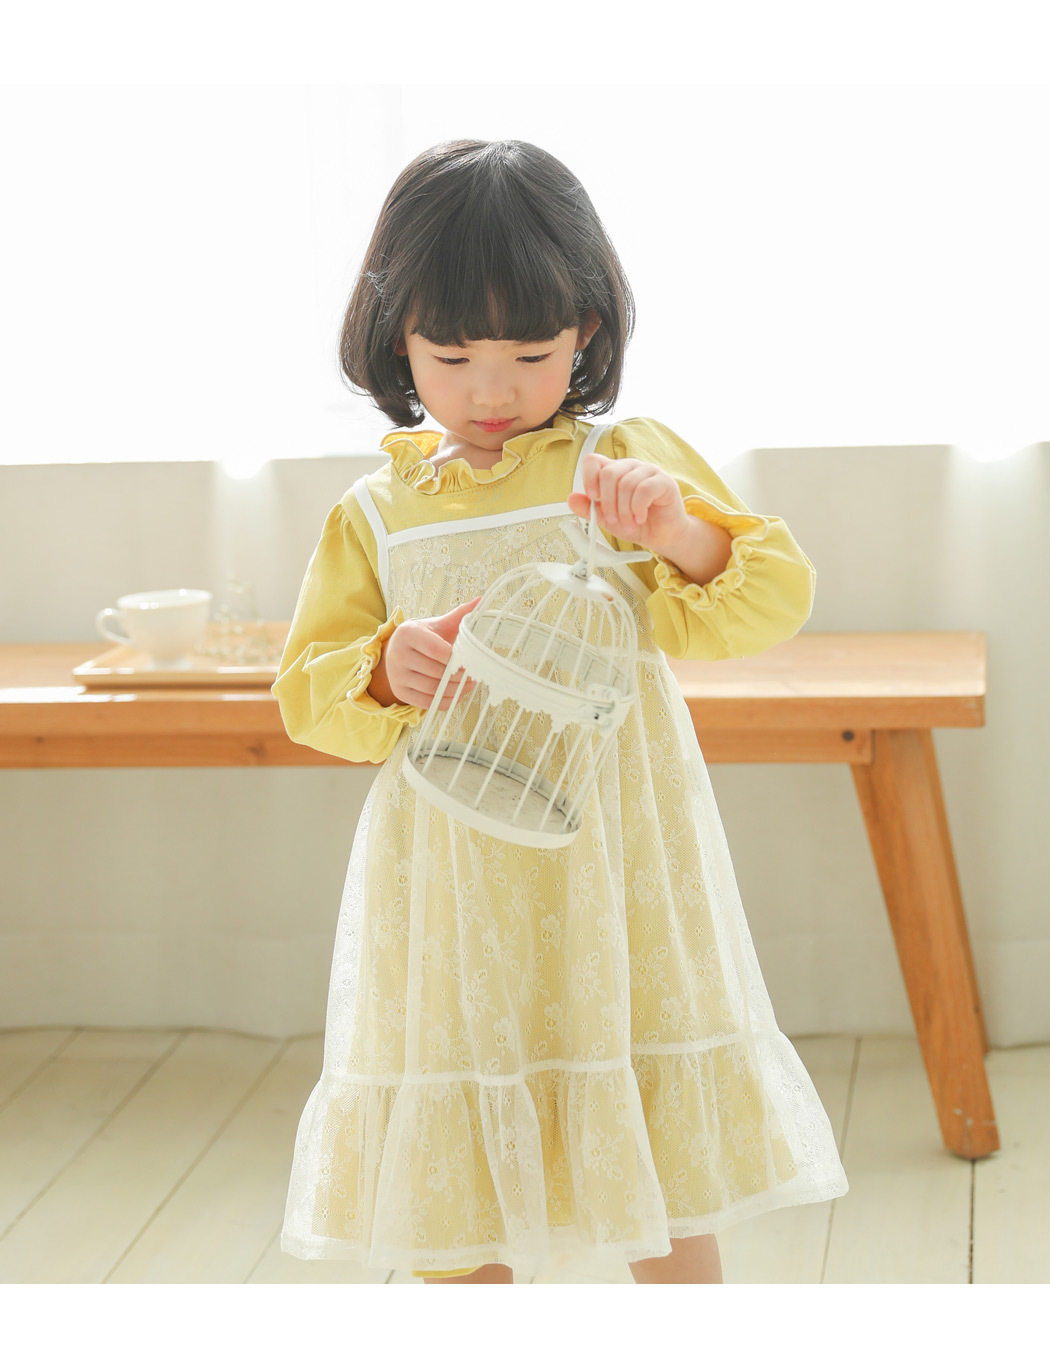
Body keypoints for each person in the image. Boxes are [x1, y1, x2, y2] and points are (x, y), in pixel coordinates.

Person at [273, 138, 849, 1285]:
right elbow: (308, 694)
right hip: (454, 880)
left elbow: (769, 599)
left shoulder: (619, 464)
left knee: (656, 1145)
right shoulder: (377, 512)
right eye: (452, 355)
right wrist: (389, 665)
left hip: (620, 862)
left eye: (530, 354)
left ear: (585, 331)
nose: (491, 390)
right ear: (397, 338)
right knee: (456, 1150)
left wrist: (675, 531)